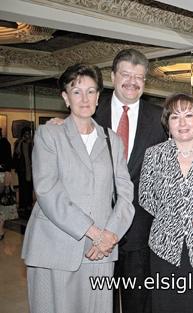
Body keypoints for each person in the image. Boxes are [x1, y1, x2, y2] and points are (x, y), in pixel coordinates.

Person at [21, 63, 135, 313]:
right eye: (77, 91)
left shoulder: (111, 140)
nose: (85, 98)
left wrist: (111, 235)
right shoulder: (49, 135)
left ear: (98, 97)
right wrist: (95, 232)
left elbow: (126, 195)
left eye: (91, 91)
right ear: (65, 97)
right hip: (55, 246)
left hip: (101, 251)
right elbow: (48, 191)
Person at [139, 93, 193, 313]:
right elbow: (145, 195)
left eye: (188, 115)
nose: (182, 122)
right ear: (167, 123)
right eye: (175, 117)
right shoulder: (154, 155)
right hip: (164, 248)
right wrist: (173, 216)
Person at [93, 49, 167, 313]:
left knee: (139, 302)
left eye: (139, 77)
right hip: (96, 227)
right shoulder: (90, 111)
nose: (132, 82)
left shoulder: (160, 118)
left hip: (140, 229)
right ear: (113, 76)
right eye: (126, 74)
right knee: (100, 301)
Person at [13, 126, 34, 218]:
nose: (27, 135)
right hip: (22, 169)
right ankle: (22, 205)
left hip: (30, 168)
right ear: (23, 134)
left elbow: (35, 155)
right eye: (26, 134)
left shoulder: (31, 143)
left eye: (28, 133)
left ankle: (29, 204)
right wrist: (20, 143)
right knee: (22, 187)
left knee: (29, 187)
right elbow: (16, 154)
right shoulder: (18, 143)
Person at [0, 127, 13, 240]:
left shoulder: (5, 143)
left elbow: (9, 161)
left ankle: (0, 230)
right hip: (4, 175)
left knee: (2, 205)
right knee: (2, 205)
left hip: (3, 176)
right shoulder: (6, 143)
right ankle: (0, 230)